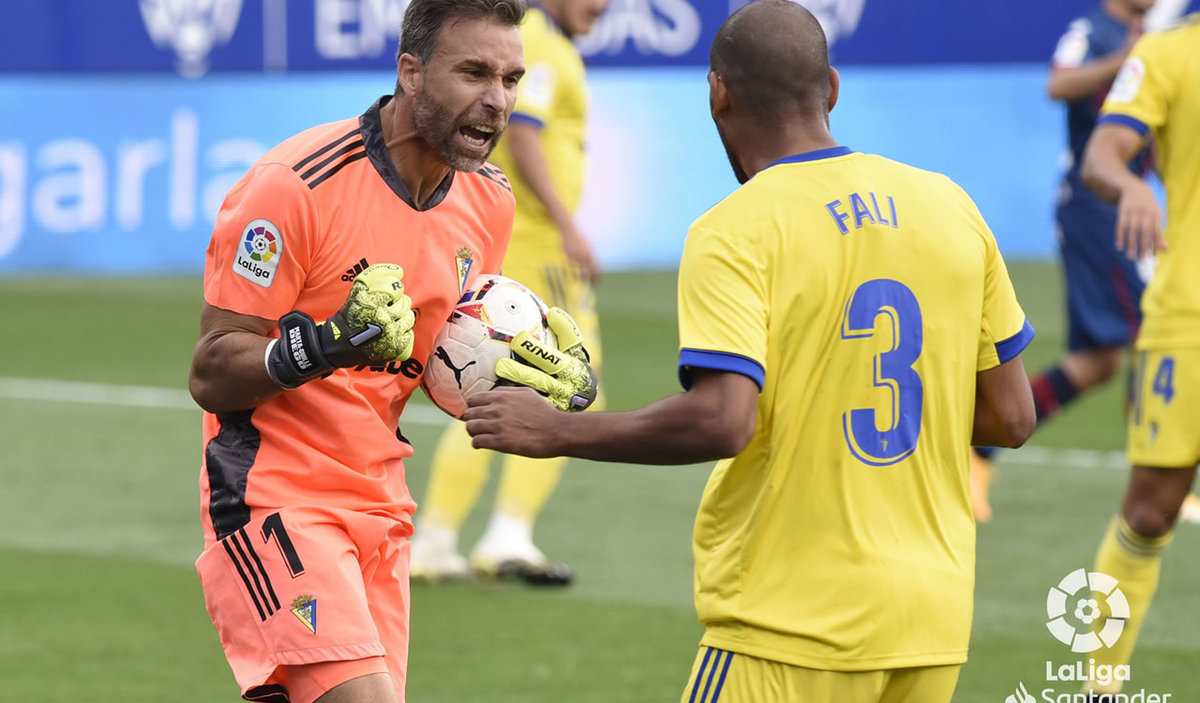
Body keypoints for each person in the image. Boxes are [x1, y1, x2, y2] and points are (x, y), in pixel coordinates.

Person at [462, 2, 1037, 700]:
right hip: (932, 623)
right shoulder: (951, 205)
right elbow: (1012, 417)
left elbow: (722, 420)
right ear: (831, 88)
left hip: (790, 618)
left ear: (718, 94)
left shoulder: (737, 229)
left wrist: (556, 431)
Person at [185, 1, 584, 700]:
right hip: (274, 498)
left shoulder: (489, 200)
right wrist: (323, 346)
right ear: (411, 72)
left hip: (382, 504)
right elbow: (212, 370)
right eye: (474, 73)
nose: (497, 100)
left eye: (511, 79)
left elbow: (435, 363)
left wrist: (527, 381)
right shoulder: (295, 185)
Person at [409, 0, 611, 586]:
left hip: (533, 242)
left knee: (505, 379)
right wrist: (567, 226)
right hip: (538, 248)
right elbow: (523, 133)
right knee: (559, 381)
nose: (602, 6)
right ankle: (490, 535)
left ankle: (459, 536)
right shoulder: (540, 44)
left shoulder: (551, 45)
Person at [969, 0, 1154, 524]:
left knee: (1098, 363)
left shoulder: (1142, 35)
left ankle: (976, 451)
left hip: (1119, 210)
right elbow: (1059, 83)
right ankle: (1158, 481)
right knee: (1155, 335)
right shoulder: (1091, 32)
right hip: (1099, 210)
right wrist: (1124, 60)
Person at [1078, 13, 1200, 700]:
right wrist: (1128, 185)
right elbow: (1103, 153)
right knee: (1150, 512)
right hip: (1188, 320)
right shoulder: (1167, 53)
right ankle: (1100, 686)